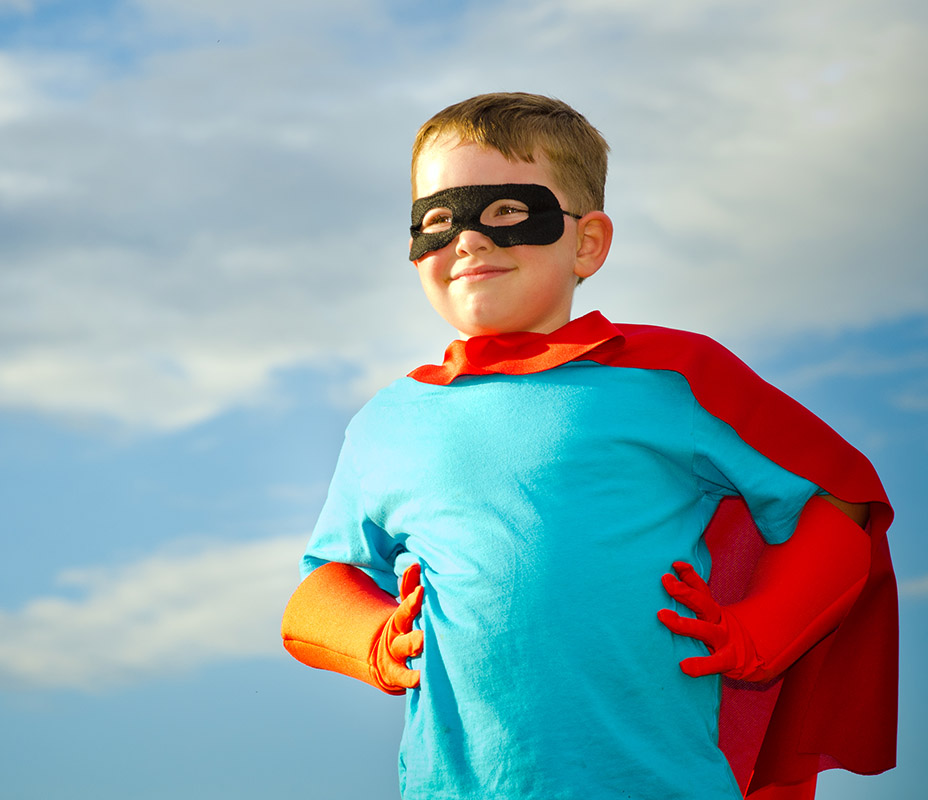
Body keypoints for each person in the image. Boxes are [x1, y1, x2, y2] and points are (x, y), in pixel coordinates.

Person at [280, 93, 897, 799]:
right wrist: (373, 640)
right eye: (439, 220)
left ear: (588, 242)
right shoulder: (385, 424)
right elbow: (316, 589)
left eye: (508, 211)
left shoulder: (674, 377)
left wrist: (759, 633)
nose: (470, 241)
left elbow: (841, 497)